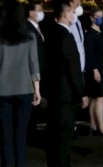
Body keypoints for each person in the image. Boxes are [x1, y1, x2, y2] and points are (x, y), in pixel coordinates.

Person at [45, 1, 89, 166]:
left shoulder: (51, 33)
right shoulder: (66, 36)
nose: (74, 15)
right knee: (63, 137)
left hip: (55, 92)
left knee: (54, 135)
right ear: (65, 14)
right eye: (71, 12)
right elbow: (73, 68)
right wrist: (82, 93)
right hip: (66, 94)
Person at [0, 0, 41, 166]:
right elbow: (34, 64)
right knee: (21, 136)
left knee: (5, 136)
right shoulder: (29, 36)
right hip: (25, 89)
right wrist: (37, 90)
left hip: (2, 91)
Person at [84, 7, 103, 135]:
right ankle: (101, 126)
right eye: (97, 16)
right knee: (99, 97)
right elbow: (89, 53)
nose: (100, 19)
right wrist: (95, 69)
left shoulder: (100, 32)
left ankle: (93, 124)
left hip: (101, 67)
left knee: (95, 98)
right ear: (92, 18)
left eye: (101, 16)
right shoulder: (90, 34)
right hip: (94, 68)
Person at [24, 0, 47, 134]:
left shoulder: (37, 28)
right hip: (32, 73)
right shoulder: (28, 28)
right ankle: (30, 132)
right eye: (39, 10)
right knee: (32, 103)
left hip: (39, 70)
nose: (41, 13)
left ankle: (32, 129)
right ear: (31, 13)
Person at [68, 0, 85, 131]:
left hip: (80, 66)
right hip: (72, 67)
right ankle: (69, 125)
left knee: (74, 100)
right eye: (76, 3)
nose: (79, 6)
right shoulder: (68, 24)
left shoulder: (78, 22)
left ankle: (72, 124)